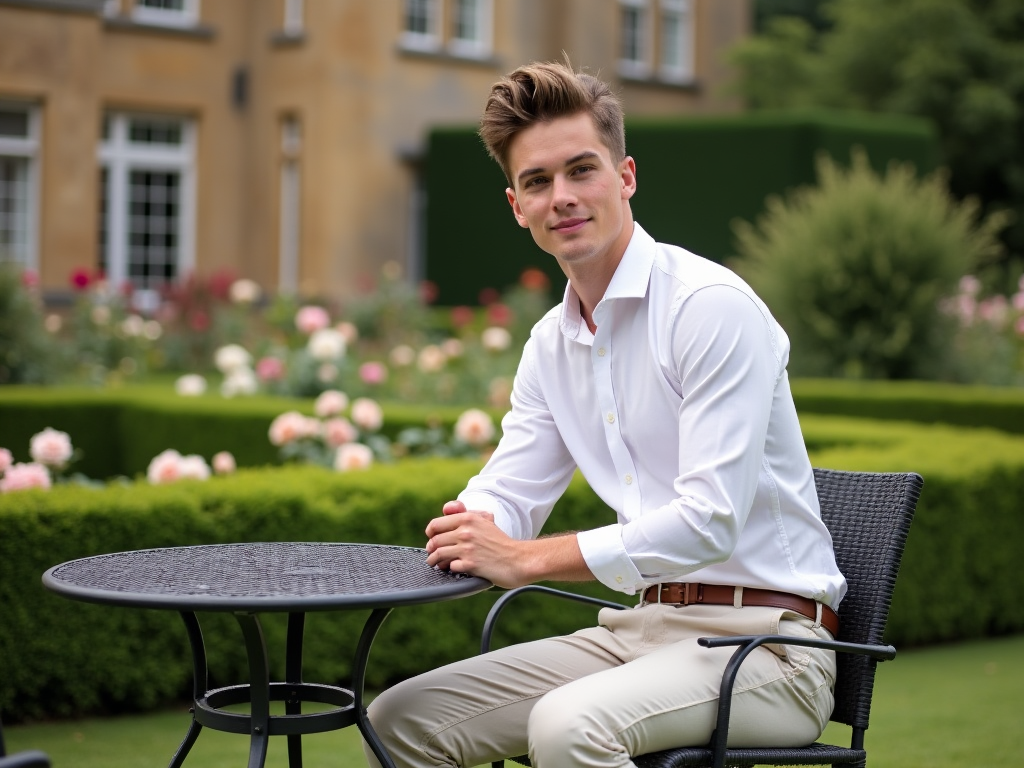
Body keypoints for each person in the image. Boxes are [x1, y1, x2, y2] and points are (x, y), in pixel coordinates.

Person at [363, 59, 847, 768]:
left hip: (770, 649)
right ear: (516, 205)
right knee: (402, 718)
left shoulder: (708, 309)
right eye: (537, 181)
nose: (561, 196)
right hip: (641, 630)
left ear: (625, 177)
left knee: (567, 727)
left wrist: (527, 560)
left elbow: (710, 520)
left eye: (580, 170)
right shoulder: (551, 346)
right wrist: (469, 527)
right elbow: (510, 493)